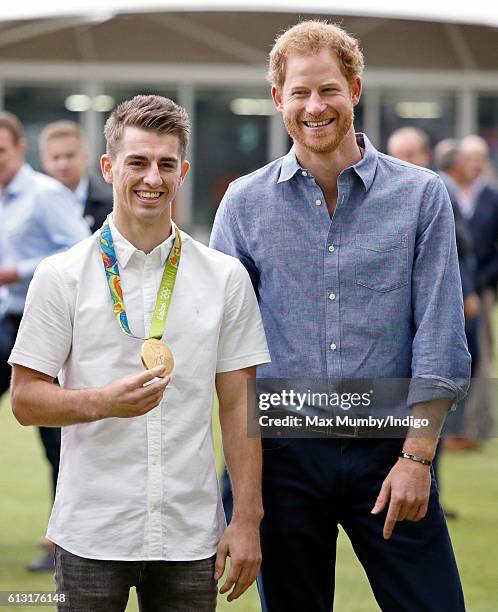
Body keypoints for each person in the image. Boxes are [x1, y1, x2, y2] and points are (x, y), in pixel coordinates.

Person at [211, 21, 470, 612]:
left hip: (391, 448)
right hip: (283, 454)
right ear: (278, 99)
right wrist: (245, 501)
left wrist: (417, 457)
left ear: (354, 88)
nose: (314, 106)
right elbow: (228, 353)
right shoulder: (244, 203)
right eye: (299, 92)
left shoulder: (421, 195)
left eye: (327, 89)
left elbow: (439, 333)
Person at [9, 94, 270, 612]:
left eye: (165, 164)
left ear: (182, 170)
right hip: (92, 529)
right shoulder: (62, 275)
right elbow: (25, 399)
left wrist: (246, 520)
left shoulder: (224, 277)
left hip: (190, 533)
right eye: (137, 162)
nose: (152, 177)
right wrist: (100, 402)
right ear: (108, 167)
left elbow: (240, 405)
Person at [0, 111, 90, 571]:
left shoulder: (45, 195)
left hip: (39, 324)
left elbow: (80, 252)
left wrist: (16, 271)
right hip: (2, 320)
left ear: (19, 149)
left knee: (54, 434)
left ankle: (62, 542)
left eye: (1, 150)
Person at [39, 120, 113, 232]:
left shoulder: (111, 203)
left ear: (85, 155)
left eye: (70, 156)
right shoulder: (33, 205)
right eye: (56, 157)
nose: (63, 164)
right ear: (44, 160)